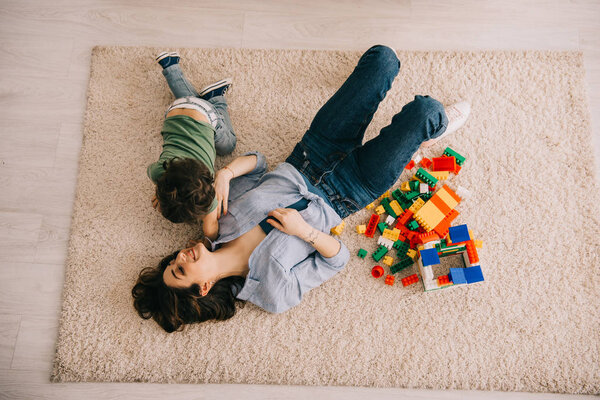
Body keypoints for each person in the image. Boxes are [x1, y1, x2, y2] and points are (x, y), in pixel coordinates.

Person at [133, 45, 471, 333]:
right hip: (352, 190)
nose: (179, 256)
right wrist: (306, 233)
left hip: (312, 153)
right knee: (427, 112)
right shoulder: (271, 293)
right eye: (180, 270)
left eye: (172, 261)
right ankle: (431, 129)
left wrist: (225, 173)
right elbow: (336, 260)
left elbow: (261, 162)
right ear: (203, 288)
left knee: (382, 58)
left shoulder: (214, 220)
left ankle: (413, 125)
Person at [148, 51, 238, 239]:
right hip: (175, 111)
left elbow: (210, 229)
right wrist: (160, 193)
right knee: (196, 103)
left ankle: (216, 99)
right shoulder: (158, 173)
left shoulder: (206, 189)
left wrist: (208, 241)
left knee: (227, 144)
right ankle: (171, 67)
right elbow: (153, 173)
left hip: (204, 114)